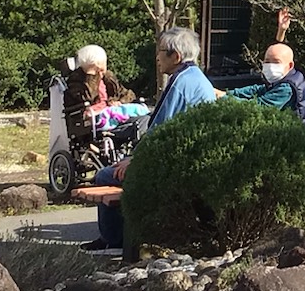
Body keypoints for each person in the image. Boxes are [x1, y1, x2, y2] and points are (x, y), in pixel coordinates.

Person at [88, 27, 215, 254]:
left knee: (104, 175)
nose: (157, 57)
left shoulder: (180, 84)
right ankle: (115, 238)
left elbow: (161, 130)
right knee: (116, 169)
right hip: (188, 160)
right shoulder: (195, 78)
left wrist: (135, 160)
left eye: (161, 51)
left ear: (175, 56)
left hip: (173, 165)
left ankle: (113, 240)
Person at [62, 44, 143, 148]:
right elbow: (88, 98)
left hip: (113, 116)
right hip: (90, 122)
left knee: (142, 119)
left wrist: (119, 101)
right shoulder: (76, 81)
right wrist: (91, 76)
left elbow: (128, 94)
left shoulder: (107, 78)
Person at [219, 41, 305, 121]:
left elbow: (258, 107)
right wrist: (227, 93)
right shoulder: (290, 77)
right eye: (267, 61)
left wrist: (224, 98)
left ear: (290, 65)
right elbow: (257, 90)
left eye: (276, 62)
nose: (270, 66)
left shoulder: (286, 89)